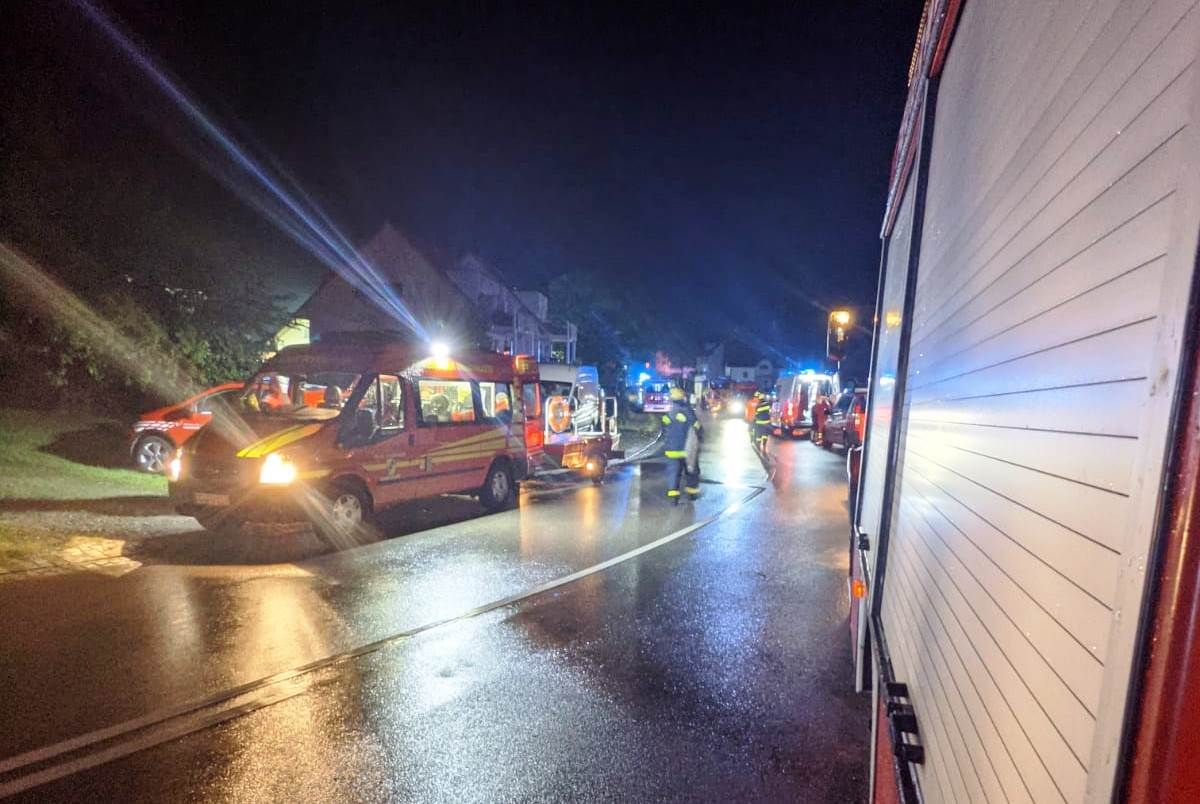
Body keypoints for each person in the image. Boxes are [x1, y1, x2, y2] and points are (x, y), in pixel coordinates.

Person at [661, 386, 701, 504]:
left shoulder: (668, 414)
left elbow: (663, 431)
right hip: (687, 451)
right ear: (683, 399)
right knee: (692, 471)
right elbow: (697, 428)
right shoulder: (688, 412)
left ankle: (674, 498)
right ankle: (692, 493)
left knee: (673, 474)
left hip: (671, 450)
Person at [752, 390, 772, 455]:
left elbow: (756, 414)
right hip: (766, 423)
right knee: (765, 435)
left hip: (759, 423)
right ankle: (764, 445)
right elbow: (769, 412)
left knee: (759, 435)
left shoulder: (758, 406)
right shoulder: (768, 405)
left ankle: (758, 445)